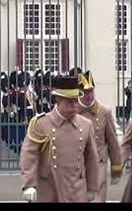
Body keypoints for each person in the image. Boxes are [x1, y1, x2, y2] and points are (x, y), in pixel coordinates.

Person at [20, 75, 100, 203]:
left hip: (76, 190)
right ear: (58, 100)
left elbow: (92, 159)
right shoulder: (41, 124)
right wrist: (29, 185)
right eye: (70, 101)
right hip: (49, 188)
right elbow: (29, 155)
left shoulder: (85, 125)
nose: (75, 105)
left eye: (76, 100)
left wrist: (92, 187)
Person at [77, 70, 122, 202]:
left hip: (99, 163)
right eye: (85, 92)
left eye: (90, 91)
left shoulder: (104, 111)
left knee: (97, 197)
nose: (88, 95)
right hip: (78, 165)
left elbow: (113, 142)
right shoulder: (73, 112)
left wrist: (116, 169)